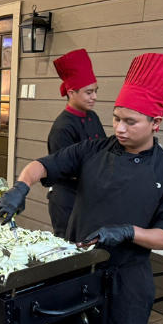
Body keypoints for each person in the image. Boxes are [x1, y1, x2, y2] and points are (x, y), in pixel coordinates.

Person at [0, 53, 163, 324]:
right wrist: (21, 186)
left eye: (130, 122)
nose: (120, 128)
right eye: (116, 118)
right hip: (79, 273)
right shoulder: (94, 149)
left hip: (126, 282)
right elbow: (43, 165)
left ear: (155, 123)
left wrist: (129, 231)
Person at [48, 49, 106, 237]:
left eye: (95, 91)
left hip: (90, 198)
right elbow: (65, 169)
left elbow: (105, 150)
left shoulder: (93, 117)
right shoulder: (63, 127)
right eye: (89, 92)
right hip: (68, 201)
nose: (94, 97)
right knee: (70, 248)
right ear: (71, 93)